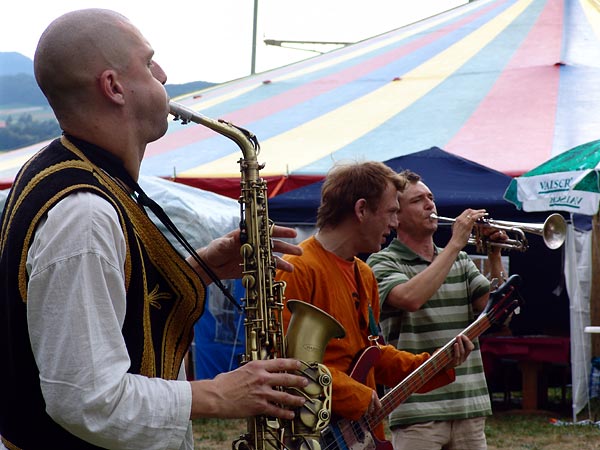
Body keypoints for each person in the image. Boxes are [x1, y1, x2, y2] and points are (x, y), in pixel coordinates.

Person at [0, 9, 309, 450]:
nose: (163, 74)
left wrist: (196, 271)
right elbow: (89, 400)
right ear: (113, 87)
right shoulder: (84, 215)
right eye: (148, 63)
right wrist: (219, 393)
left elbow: (105, 310)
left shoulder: (68, 173)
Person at [275, 161, 474, 443]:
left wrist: (434, 364)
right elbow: (286, 364)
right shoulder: (297, 268)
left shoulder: (364, 273)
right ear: (361, 210)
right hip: (312, 437)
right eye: (391, 211)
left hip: (359, 435)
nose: (395, 223)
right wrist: (356, 395)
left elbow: (372, 355)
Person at [366, 169, 508, 450]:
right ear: (396, 216)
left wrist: (495, 255)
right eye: (417, 200)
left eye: (430, 197)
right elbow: (410, 298)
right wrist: (455, 244)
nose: (429, 204)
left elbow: (494, 312)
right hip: (416, 410)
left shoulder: (461, 260)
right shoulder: (382, 262)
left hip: (468, 405)